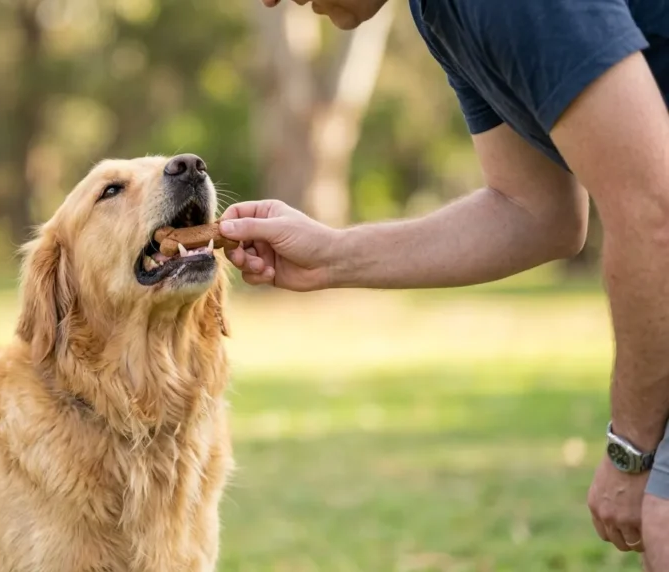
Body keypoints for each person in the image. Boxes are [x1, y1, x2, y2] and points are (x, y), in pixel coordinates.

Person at [222, 0, 669, 568]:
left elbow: (652, 214)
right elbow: (536, 211)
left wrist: (632, 448)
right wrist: (330, 257)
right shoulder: (441, 13)